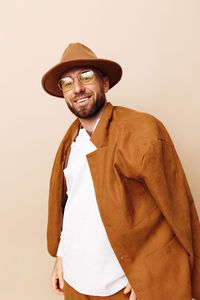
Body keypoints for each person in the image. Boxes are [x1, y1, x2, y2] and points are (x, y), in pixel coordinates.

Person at [41, 42, 200, 300]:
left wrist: (151, 273)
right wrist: (61, 255)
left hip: (120, 286)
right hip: (76, 281)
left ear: (105, 84)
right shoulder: (70, 141)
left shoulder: (143, 130)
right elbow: (73, 207)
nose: (77, 88)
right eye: (67, 83)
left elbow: (178, 211)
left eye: (86, 77)